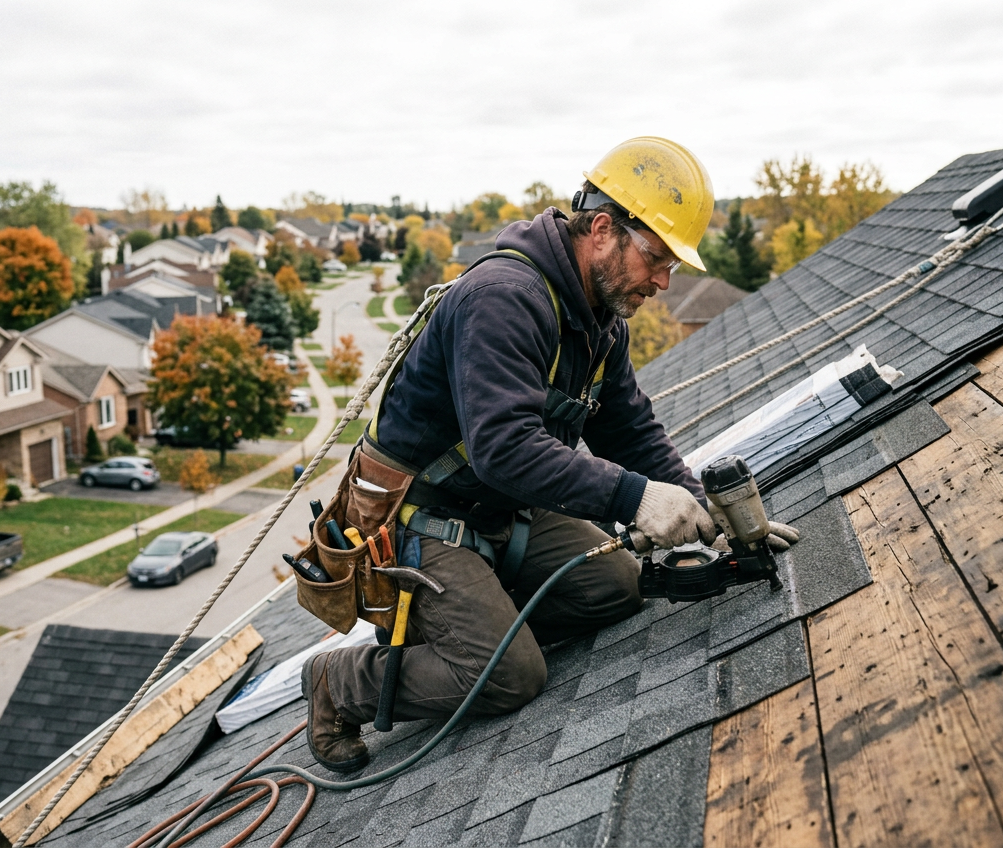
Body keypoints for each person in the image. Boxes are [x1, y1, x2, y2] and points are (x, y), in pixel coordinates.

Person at [301, 137, 798, 772]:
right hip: (420, 518)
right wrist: (635, 498)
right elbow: (504, 448)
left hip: (503, 506)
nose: (663, 282)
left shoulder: (599, 320)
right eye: (655, 258)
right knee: (509, 675)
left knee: (617, 587)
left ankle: (474, 620)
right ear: (602, 230)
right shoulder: (503, 298)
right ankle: (339, 682)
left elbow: (628, 430)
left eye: (671, 265)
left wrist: (709, 510)